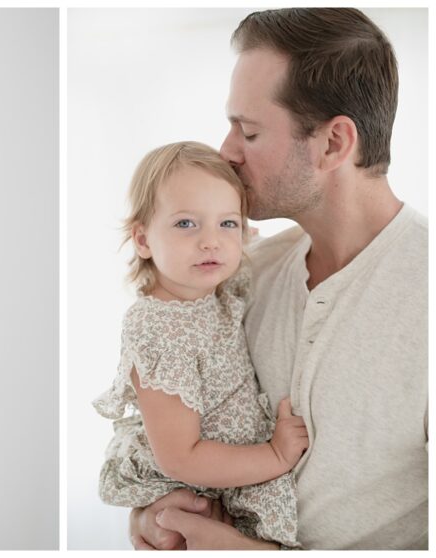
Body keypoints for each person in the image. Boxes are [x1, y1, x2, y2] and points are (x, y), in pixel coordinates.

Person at [130, 8, 427, 550]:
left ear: (334, 144)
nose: (225, 151)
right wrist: (153, 515)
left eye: (249, 130)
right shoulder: (239, 277)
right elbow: (179, 434)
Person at [94, 141, 306, 549]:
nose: (211, 241)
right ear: (142, 240)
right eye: (186, 224)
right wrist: (275, 456)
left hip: (228, 475)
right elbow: (181, 455)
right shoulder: (159, 328)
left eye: (227, 224)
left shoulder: (214, 291)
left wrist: (234, 232)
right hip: (201, 483)